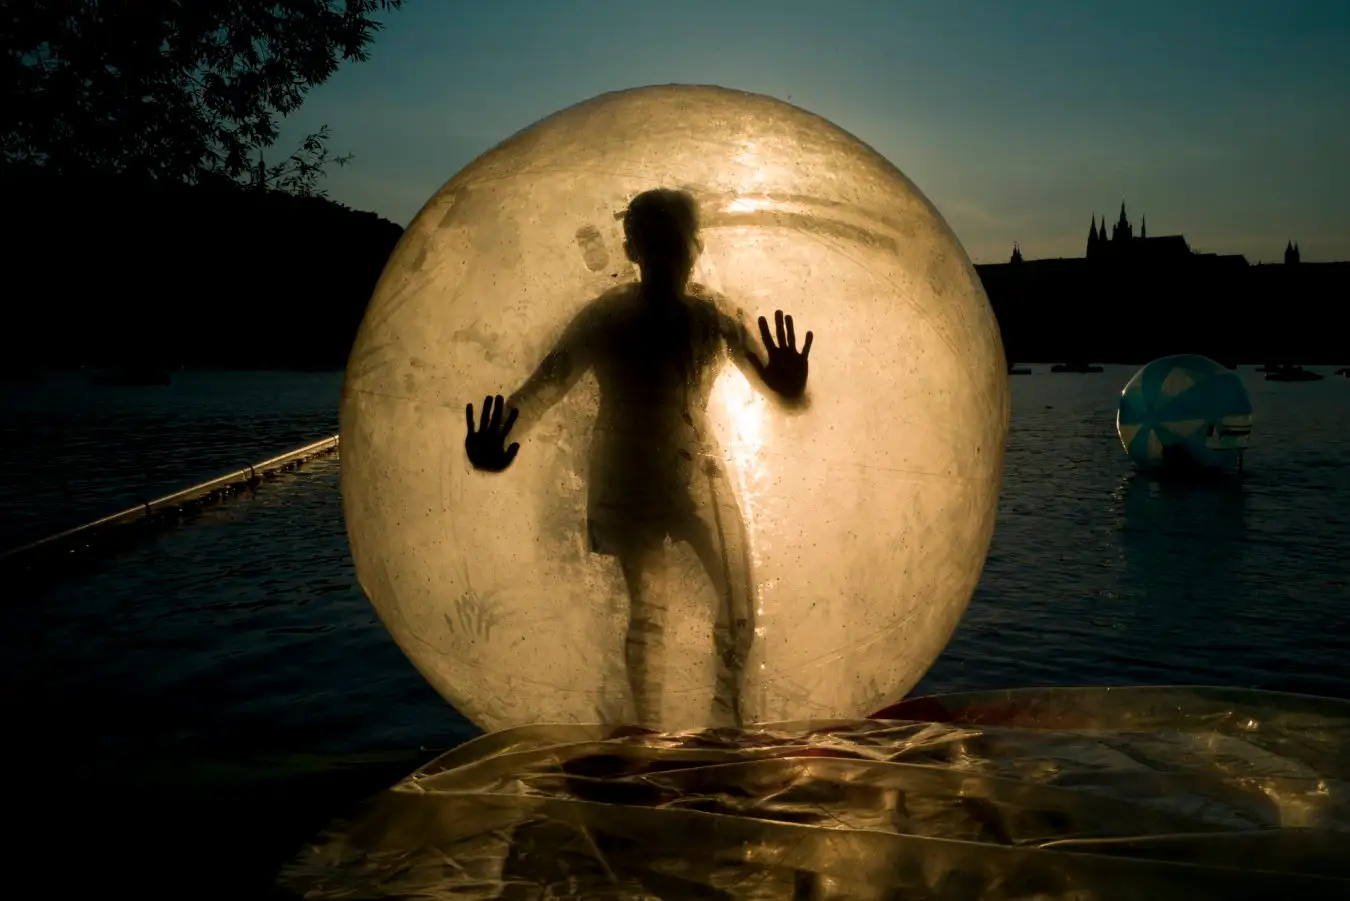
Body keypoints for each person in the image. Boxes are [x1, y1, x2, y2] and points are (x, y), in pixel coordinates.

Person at [464, 188, 814, 728]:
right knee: (649, 607)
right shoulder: (608, 317)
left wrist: (790, 385)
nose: (668, 256)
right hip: (628, 475)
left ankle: (726, 725)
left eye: (675, 243)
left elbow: (775, 387)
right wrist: (496, 440)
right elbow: (544, 388)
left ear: (695, 248)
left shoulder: (714, 315)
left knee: (738, 597)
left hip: (695, 468)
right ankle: (645, 732)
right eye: (655, 244)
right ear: (633, 250)